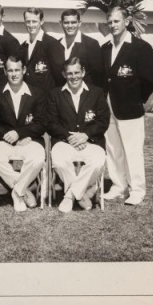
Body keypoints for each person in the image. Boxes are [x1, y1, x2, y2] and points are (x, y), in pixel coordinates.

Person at [101, 7, 153, 206]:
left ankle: (137, 190)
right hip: (108, 108)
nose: (113, 26)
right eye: (110, 22)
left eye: (116, 21)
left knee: (132, 150)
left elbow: (149, 78)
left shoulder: (140, 47)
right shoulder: (106, 48)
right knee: (113, 149)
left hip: (130, 109)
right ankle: (119, 186)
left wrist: (137, 99)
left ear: (127, 22)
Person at [0, 56, 50, 212]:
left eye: (17, 70)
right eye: (10, 70)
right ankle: (22, 189)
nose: (14, 74)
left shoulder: (38, 94)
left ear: (24, 70)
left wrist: (18, 133)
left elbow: (42, 123)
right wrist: (10, 136)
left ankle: (17, 191)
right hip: (2, 140)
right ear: (5, 72)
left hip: (30, 140)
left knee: (37, 159)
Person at [47, 57, 110, 213]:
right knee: (60, 162)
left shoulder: (96, 92)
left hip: (91, 142)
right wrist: (69, 137)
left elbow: (103, 121)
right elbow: (51, 122)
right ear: (63, 74)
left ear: (83, 72)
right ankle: (81, 195)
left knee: (97, 162)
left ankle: (70, 195)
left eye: (77, 72)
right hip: (63, 141)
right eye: (69, 73)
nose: (73, 77)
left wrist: (86, 135)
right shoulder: (55, 94)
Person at [51, 9, 105, 88]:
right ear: (61, 23)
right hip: (61, 96)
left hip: (85, 96)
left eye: (73, 22)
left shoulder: (91, 44)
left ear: (79, 23)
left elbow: (98, 76)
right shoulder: (55, 46)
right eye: (66, 22)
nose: (70, 26)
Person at [21, 7, 64, 94]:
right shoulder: (23, 46)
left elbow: (59, 75)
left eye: (34, 21)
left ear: (41, 21)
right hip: (29, 98)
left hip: (47, 98)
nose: (31, 25)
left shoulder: (52, 44)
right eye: (28, 21)